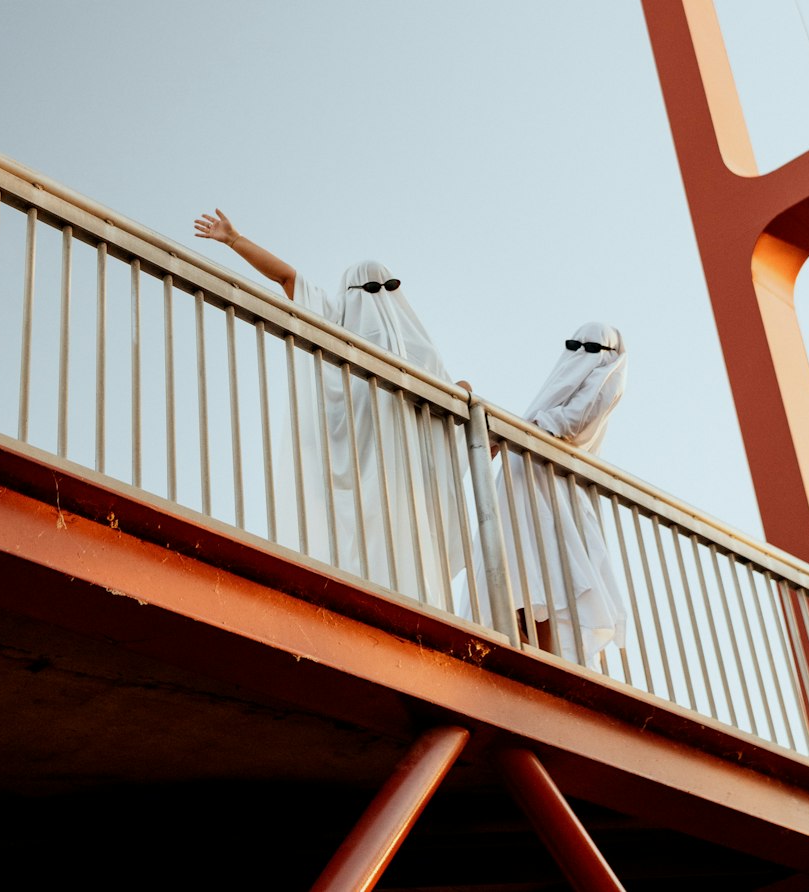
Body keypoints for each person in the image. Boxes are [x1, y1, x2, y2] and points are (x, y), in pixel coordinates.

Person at [193, 209, 470, 606]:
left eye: (388, 286)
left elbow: (449, 395)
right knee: (364, 522)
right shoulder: (339, 313)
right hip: (359, 447)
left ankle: (412, 602)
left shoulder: (417, 341)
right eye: (371, 287)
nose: (380, 295)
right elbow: (288, 279)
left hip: (404, 458)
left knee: (404, 529)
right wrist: (235, 240)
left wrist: (464, 389)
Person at [474, 322, 628, 667]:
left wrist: (510, 432)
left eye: (590, 349)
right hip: (521, 490)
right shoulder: (555, 391)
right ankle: (528, 654)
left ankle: (548, 662)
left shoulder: (606, 385)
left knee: (550, 580)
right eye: (573, 346)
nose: (579, 355)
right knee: (522, 578)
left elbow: (571, 423)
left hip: (551, 494)